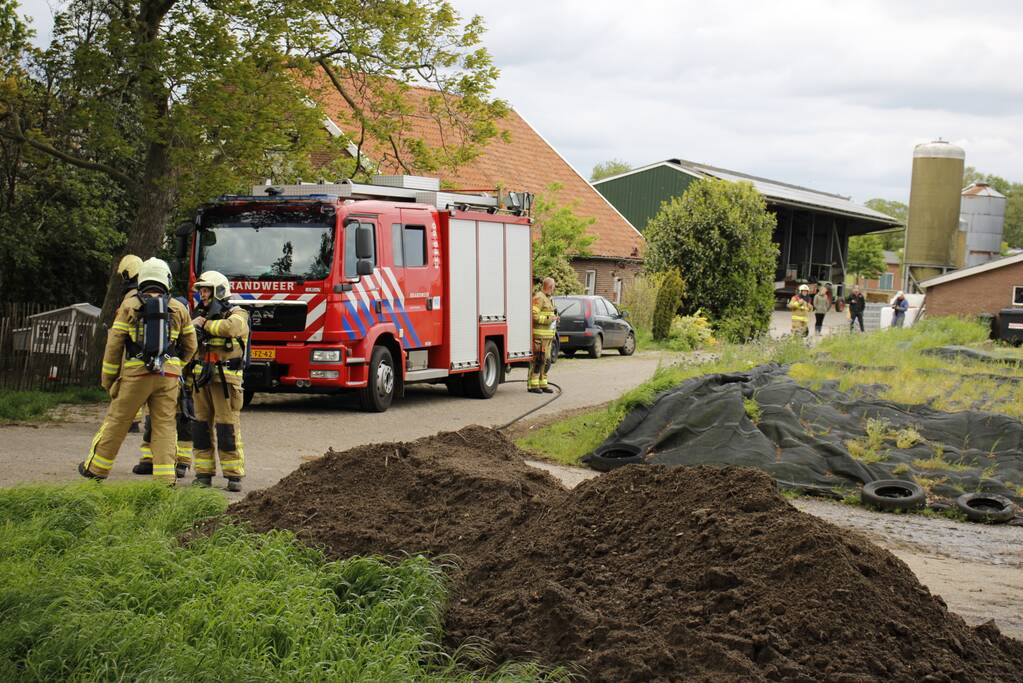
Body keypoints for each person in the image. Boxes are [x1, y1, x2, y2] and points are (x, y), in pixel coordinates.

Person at [79, 258, 196, 485]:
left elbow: (114, 345)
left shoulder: (129, 304)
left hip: (136, 375)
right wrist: (176, 364)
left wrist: (109, 380)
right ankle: (165, 479)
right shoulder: (178, 307)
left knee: (118, 420)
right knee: (164, 425)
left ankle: (96, 469)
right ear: (166, 279)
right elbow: (191, 346)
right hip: (168, 377)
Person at [189, 271, 250, 492]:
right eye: (201, 291)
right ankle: (203, 474)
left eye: (206, 290)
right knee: (200, 427)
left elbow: (231, 328)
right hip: (201, 379)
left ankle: (233, 475)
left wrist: (204, 325)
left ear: (219, 291)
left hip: (226, 382)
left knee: (227, 427)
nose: (202, 295)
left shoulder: (237, 313)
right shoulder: (197, 315)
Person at [528, 277, 557, 394]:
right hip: (539, 337)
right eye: (553, 287)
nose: (554, 289)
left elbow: (549, 314)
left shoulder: (549, 299)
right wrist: (549, 319)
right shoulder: (539, 297)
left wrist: (555, 319)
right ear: (550, 287)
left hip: (548, 338)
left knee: (546, 361)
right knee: (538, 360)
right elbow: (534, 316)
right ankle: (533, 385)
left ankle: (543, 383)